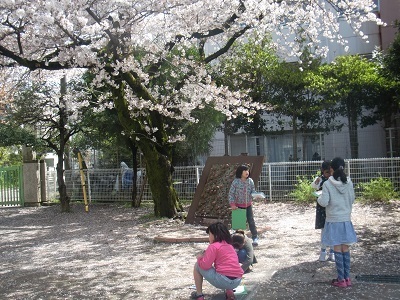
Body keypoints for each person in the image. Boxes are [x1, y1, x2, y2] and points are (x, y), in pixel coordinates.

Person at [317, 157, 357, 288]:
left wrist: (318, 197)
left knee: (337, 249)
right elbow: (352, 199)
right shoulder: (349, 182)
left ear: (331, 169)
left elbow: (324, 202)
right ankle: (347, 278)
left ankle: (341, 279)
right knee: (346, 248)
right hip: (346, 219)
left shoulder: (328, 183)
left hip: (333, 220)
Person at [191, 222, 244, 300]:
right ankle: (230, 293)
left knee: (197, 265)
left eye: (209, 234)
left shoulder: (213, 246)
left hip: (223, 281)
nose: (209, 237)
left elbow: (205, 266)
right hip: (237, 281)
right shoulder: (230, 246)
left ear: (215, 235)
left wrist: (200, 258)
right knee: (226, 267)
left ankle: (199, 295)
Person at [228, 165, 260, 246]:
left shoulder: (250, 181)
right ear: (240, 172)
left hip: (248, 205)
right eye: (245, 171)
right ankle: (238, 241)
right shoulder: (236, 182)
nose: (247, 172)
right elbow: (231, 194)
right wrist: (232, 204)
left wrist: (256, 195)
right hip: (238, 206)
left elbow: (253, 191)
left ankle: (255, 237)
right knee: (239, 224)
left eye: (248, 171)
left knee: (251, 221)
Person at [311, 160, 335, 262]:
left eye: (330, 172)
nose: (329, 175)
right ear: (322, 171)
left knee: (333, 230)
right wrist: (316, 182)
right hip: (322, 207)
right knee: (324, 230)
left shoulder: (334, 180)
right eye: (327, 172)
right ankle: (323, 252)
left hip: (332, 207)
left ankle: (332, 252)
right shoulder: (320, 179)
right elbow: (313, 186)